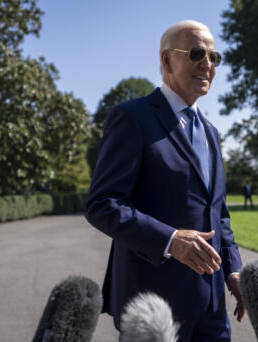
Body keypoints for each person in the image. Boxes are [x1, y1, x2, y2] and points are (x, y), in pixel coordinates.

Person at [84, 20, 245, 342]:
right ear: (166, 60)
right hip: (153, 306)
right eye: (197, 53)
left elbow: (219, 213)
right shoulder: (132, 118)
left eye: (215, 57)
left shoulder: (211, 132)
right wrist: (170, 240)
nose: (208, 64)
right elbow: (102, 204)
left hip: (211, 306)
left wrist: (233, 270)